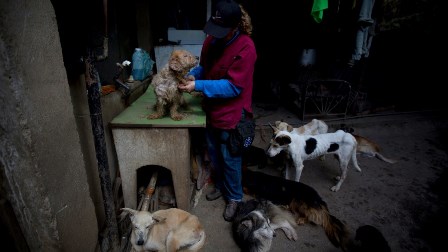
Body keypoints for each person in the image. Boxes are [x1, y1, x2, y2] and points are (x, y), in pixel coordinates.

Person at [178, 0, 257, 222]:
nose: (215, 35)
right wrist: (195, 75)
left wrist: (198, 86)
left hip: (232, 113)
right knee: (213, 152)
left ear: (235, 27)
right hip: (211, 108)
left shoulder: (246, 47)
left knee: (230, 156)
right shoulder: (211, 41)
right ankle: (222, 186)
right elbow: (205, 66)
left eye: (222, 31)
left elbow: (233, 86)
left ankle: (234, 198)